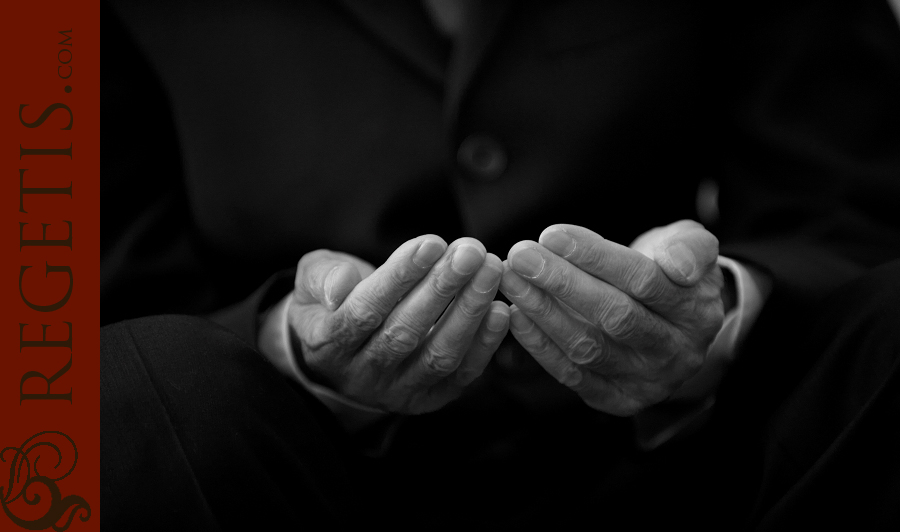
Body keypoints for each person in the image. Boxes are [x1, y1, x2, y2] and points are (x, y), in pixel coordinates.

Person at [100, 0, 900, 529]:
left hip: (708, 473)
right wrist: (286, 348)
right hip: (280, 484)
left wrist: (718, 313)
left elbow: (852, 215)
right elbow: (49, 319)